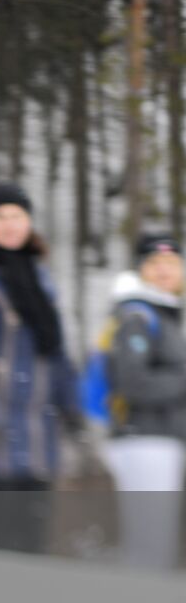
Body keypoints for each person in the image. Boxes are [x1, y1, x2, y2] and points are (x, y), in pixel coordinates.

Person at [0, 182, 80, 552]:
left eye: (17, 216)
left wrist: (70, 404)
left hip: (39, 429)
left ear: (28, 222)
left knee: (34, 538)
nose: (9, 225)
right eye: (0, 216)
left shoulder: (41, 280)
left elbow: (56, 350)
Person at [100, 233, 186, 568]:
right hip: (143, 439)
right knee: (147, 546)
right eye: (155, 263)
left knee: (155, 544)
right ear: (140, 270)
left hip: (162, 439)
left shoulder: (164, 315)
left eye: (172, 263)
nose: (164, 271)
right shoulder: (138, 315)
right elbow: (132, 382)